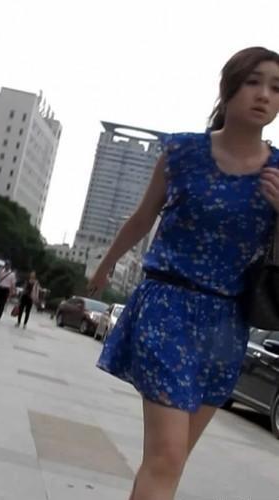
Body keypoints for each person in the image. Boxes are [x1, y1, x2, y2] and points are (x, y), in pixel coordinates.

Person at [88, 46, 279, 500]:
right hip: (167, 306)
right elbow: (142, 217)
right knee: (167, 457)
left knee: (167, 463)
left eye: (276, 88)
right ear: (228, 88)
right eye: (253, 82)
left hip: (227, 323)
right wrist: (107, 262)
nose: (264, 95)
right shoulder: (182, 152)